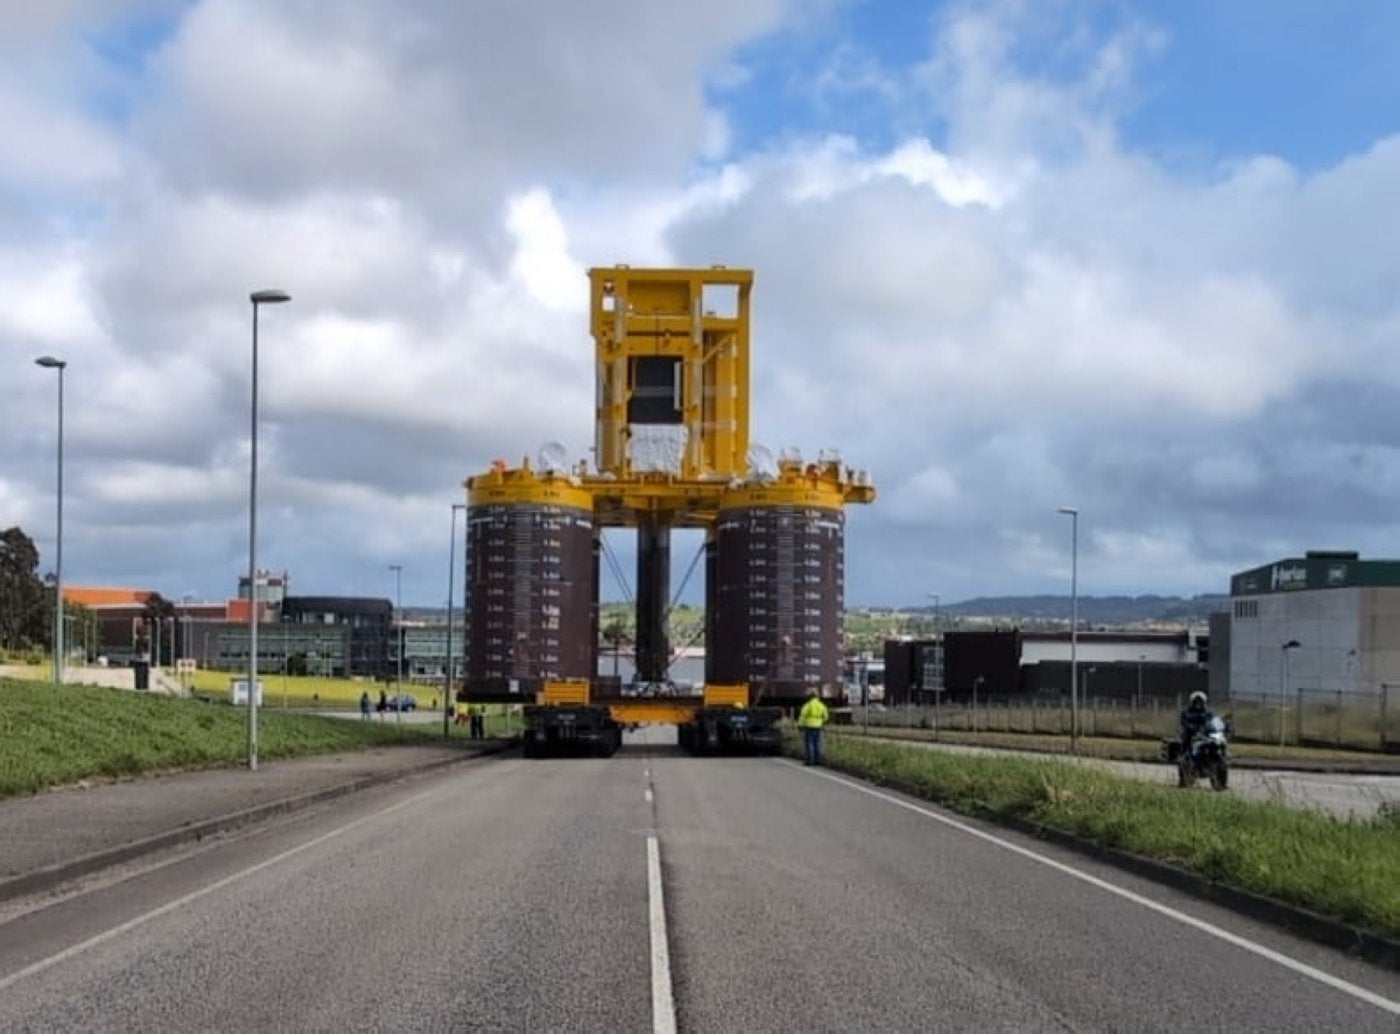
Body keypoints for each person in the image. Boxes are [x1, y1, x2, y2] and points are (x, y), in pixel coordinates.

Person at [797, 688, 830, 766]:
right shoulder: (821, 705)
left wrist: (800, 726)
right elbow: (826, 717)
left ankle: (810, 761)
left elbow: (802, 717)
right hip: (818, 727)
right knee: (818, 743)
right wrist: (822, 722)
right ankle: (818, 760)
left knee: (809, 744)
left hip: (809, 727)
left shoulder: (807, 706)